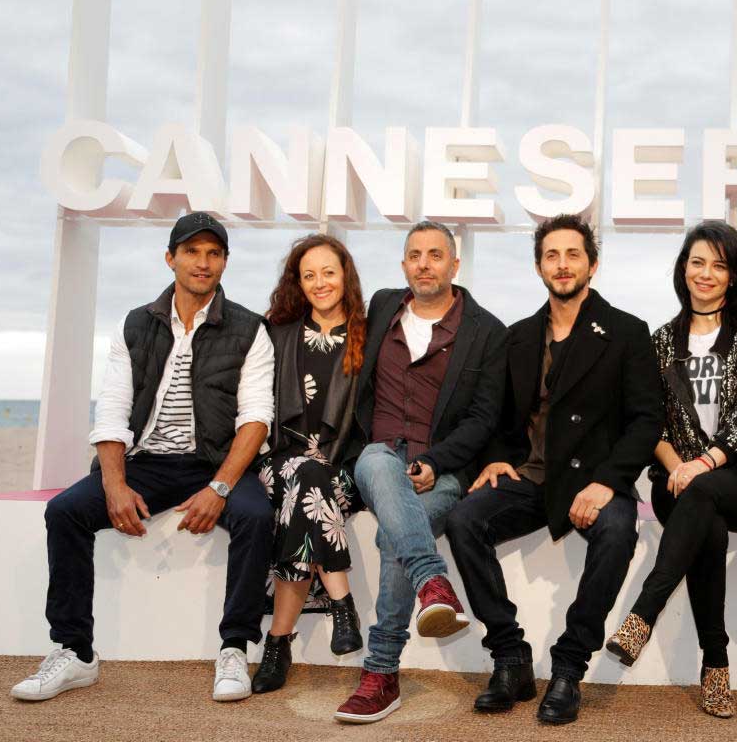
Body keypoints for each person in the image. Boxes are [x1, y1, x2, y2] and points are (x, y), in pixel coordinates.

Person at [11, 212, 275, 703]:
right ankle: (75, 653)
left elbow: (256, 418)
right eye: (192, 251)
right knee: (64, 511)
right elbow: (112, 409)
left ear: (225, 262)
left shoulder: (250, 328)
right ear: (170, 257)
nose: (202, 262)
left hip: (213, 462)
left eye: (213, 253)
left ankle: (235, 647)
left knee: (256, 517)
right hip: (146, 461)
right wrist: (114, 484)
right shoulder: (137, 323)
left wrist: (219, 487)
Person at [446, 213, 663, 726]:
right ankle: (509, 655)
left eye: (572, 254)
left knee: (617, 532)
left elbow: (646, 420)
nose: (562, 265)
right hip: (533, 477)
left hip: (596, 478)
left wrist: (608, 482)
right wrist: (498, 457)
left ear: (593, 263)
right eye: (551, 255)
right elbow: (498, 416)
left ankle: (569, 665)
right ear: (539, 266)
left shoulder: (628, 332)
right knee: (463, 521)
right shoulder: (518, 336)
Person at [333, 220, 507, 724]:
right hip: (378, 460)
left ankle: (381, 674)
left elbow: (482, 419)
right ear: (404, 264)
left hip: (443, 468)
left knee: (395, 538)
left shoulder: (486, 331)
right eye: (415, 255)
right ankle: (433, 580)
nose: (424, 264)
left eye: (435, 255)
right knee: (373, 457)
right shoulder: (384, 307)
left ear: (455, 264)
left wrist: (435, 462)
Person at [605, 220, 737, 718]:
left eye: (719, 265)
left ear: (734, 277)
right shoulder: (660, 342)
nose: (706, 273)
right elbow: (646, 419)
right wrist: (677, 463)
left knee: (705, 497)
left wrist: (704, 463)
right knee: (708, 530)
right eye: (697, 262)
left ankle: (644, 612)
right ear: (683, 269)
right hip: (675, 478)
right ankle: (715, 666)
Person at [251, 234, 367, 694]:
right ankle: (342, 603)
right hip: (278, 462)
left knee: (309, 485)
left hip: (342, 468)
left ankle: (277, 642)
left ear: (346, 275)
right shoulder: (277, 334)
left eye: (329, 272)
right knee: (302, 473)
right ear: (297, 283)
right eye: (309, 275)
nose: (320, 283)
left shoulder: (368, 334)